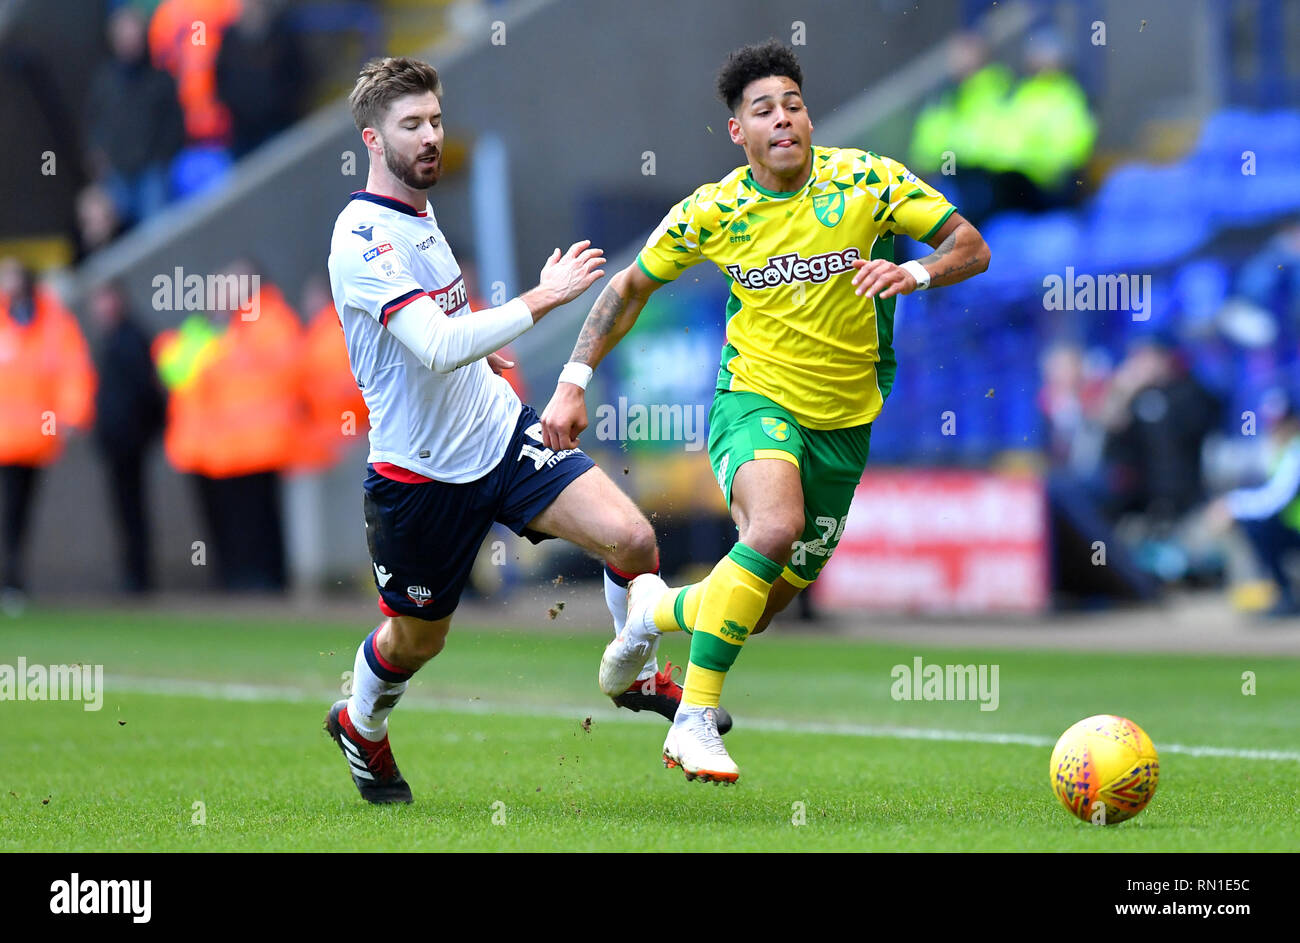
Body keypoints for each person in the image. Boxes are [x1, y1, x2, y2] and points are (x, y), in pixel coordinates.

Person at [541, 40, 990, 784]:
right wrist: (572, 379)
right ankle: (693, 721)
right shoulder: (715, 210)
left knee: (762, 601)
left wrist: (912, 269)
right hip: (755, 402)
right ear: (737, 132)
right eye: (763, 110)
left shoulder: (867, 181)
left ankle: (654, 608)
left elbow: (970, 247)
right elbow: (627, 288)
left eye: (793, 104)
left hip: (845, 424)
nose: (783, 119)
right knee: (772, 528)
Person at [322, 57, 729, 805]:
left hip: (501, 434)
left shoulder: (419, 212)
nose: (431, 137)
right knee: (418, 639)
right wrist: (541, 299)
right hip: (421, 477)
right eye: (411, 125)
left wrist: (484, 338)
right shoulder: (361, 237)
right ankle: (362, 722)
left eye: (436, 120)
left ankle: (634, 673)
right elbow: (437, 346)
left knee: (633, 539)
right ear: (372, 141)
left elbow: (443, 330)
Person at [0, 260, 96, 609]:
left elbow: (73, 373)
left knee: (19, 514)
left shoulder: (55, 323)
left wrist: (70, 418)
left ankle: (13, 581)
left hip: (32, 439)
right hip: (5, 437)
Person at [90, 281, 166, 593]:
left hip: (129, 441)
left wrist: (143, 432)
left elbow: (146, 392)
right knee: (126, 509)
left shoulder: (130, 338)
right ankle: (133, 575)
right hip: (117, 441)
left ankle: (138, 577)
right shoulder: (113, 338)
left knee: (132, 510)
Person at [86, 6, 185, 226]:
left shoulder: (160, 79)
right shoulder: (104, 82)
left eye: (134, 36)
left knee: (156, 232)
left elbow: (174, 125)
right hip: (116, 174)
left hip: (152, 172)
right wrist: (97, 156)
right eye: (123, 37)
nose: (129, 43)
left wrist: (162, 158)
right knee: (103, 226)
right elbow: (93, 123)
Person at [1208, 405, 1300, 617]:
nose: (1274, 430)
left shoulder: (1295, 452)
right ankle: (1277, 591)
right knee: (1255, 527)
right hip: (1293, 527)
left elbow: (1276, 498)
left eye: (1280, 424)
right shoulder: (1283, 451)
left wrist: (1231, 505)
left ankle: (1285, 594)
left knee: (1257, 528)